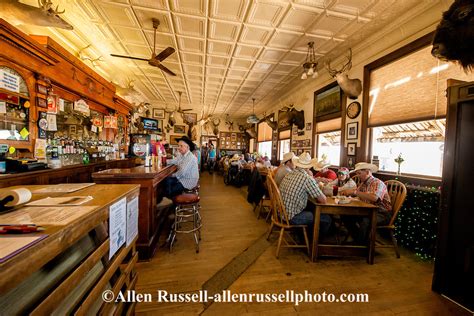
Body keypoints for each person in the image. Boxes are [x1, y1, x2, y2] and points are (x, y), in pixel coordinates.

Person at [280, 152, 331, 236]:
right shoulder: (306, 178)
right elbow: (323, 200)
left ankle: (303, 236)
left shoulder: (289, 173)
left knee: (311, 208)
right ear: (309, 166)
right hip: (291, 217)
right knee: (326, 218)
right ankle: (313, 244)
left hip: (282, 212)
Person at [344, 162, 392, 243]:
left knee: (365, 221)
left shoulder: (378, 182)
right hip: (368, 211)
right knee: (346, 216)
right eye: (357, 173)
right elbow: (358, 196)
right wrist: (350, 197)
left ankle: (360, 245)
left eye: (359, 173)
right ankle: (360, 241)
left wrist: (355, 192)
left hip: (382, 213)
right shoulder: (363, 183)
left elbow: (375, 198)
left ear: (367, 172)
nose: (358, 176)